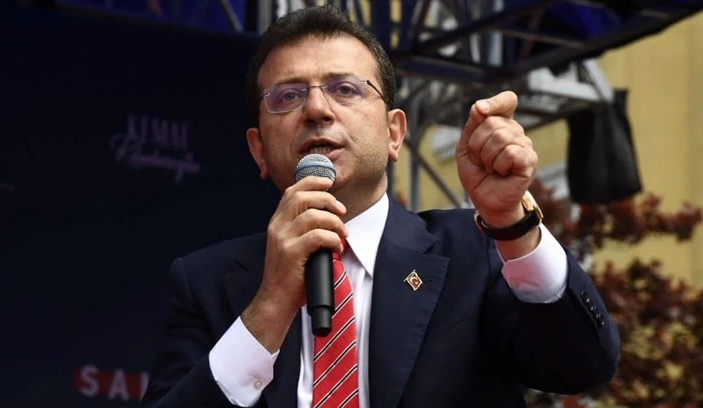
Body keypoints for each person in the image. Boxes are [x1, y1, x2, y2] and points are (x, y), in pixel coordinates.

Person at [141, 5, 620, 408]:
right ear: (258, 150)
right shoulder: (205, 283)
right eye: (288, 95)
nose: (317, 110)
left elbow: (583, 366)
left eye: (345, 89)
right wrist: (269, 306)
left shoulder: (474, 251)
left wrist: (513, 226)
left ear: (394, 133)